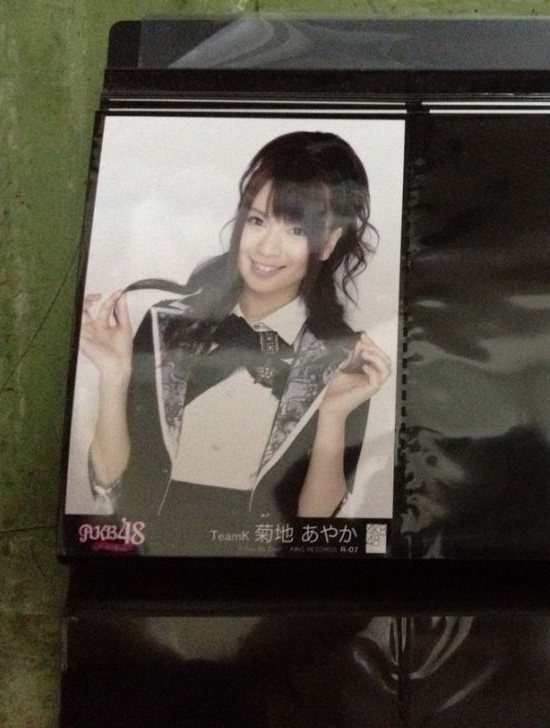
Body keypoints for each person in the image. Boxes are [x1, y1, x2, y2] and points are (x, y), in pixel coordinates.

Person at [78, 131, 391, 552]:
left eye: (296, 229)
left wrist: (333, 415)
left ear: (329, 242)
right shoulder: (165, 325)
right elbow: (111, 487)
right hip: (151, 556)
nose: (266, 248)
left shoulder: (342, 360)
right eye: (257, 221)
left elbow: (315, 530)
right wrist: (113, 376)